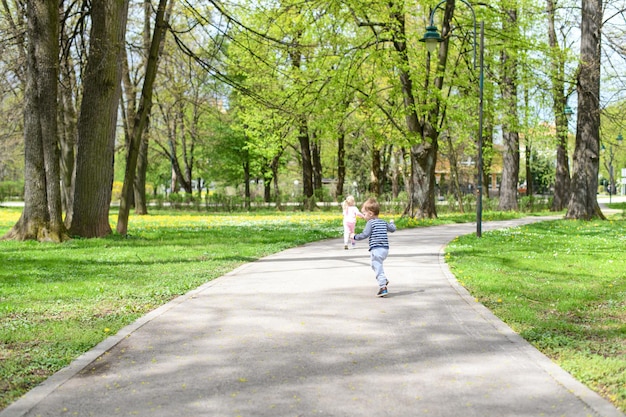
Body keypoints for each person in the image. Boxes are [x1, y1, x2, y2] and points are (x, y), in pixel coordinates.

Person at [351, 198, 396, 297]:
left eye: (364, 214)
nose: (363, 216)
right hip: (385, 249)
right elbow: (392, 229)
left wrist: (354, 236)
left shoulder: (370, 223)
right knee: (375, 265)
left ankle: (383, 287)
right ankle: (383, 279)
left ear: (370, 214)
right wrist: (392, 222)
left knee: (377, 266)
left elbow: (364, 234)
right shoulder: (383, 222)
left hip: (376, 249)